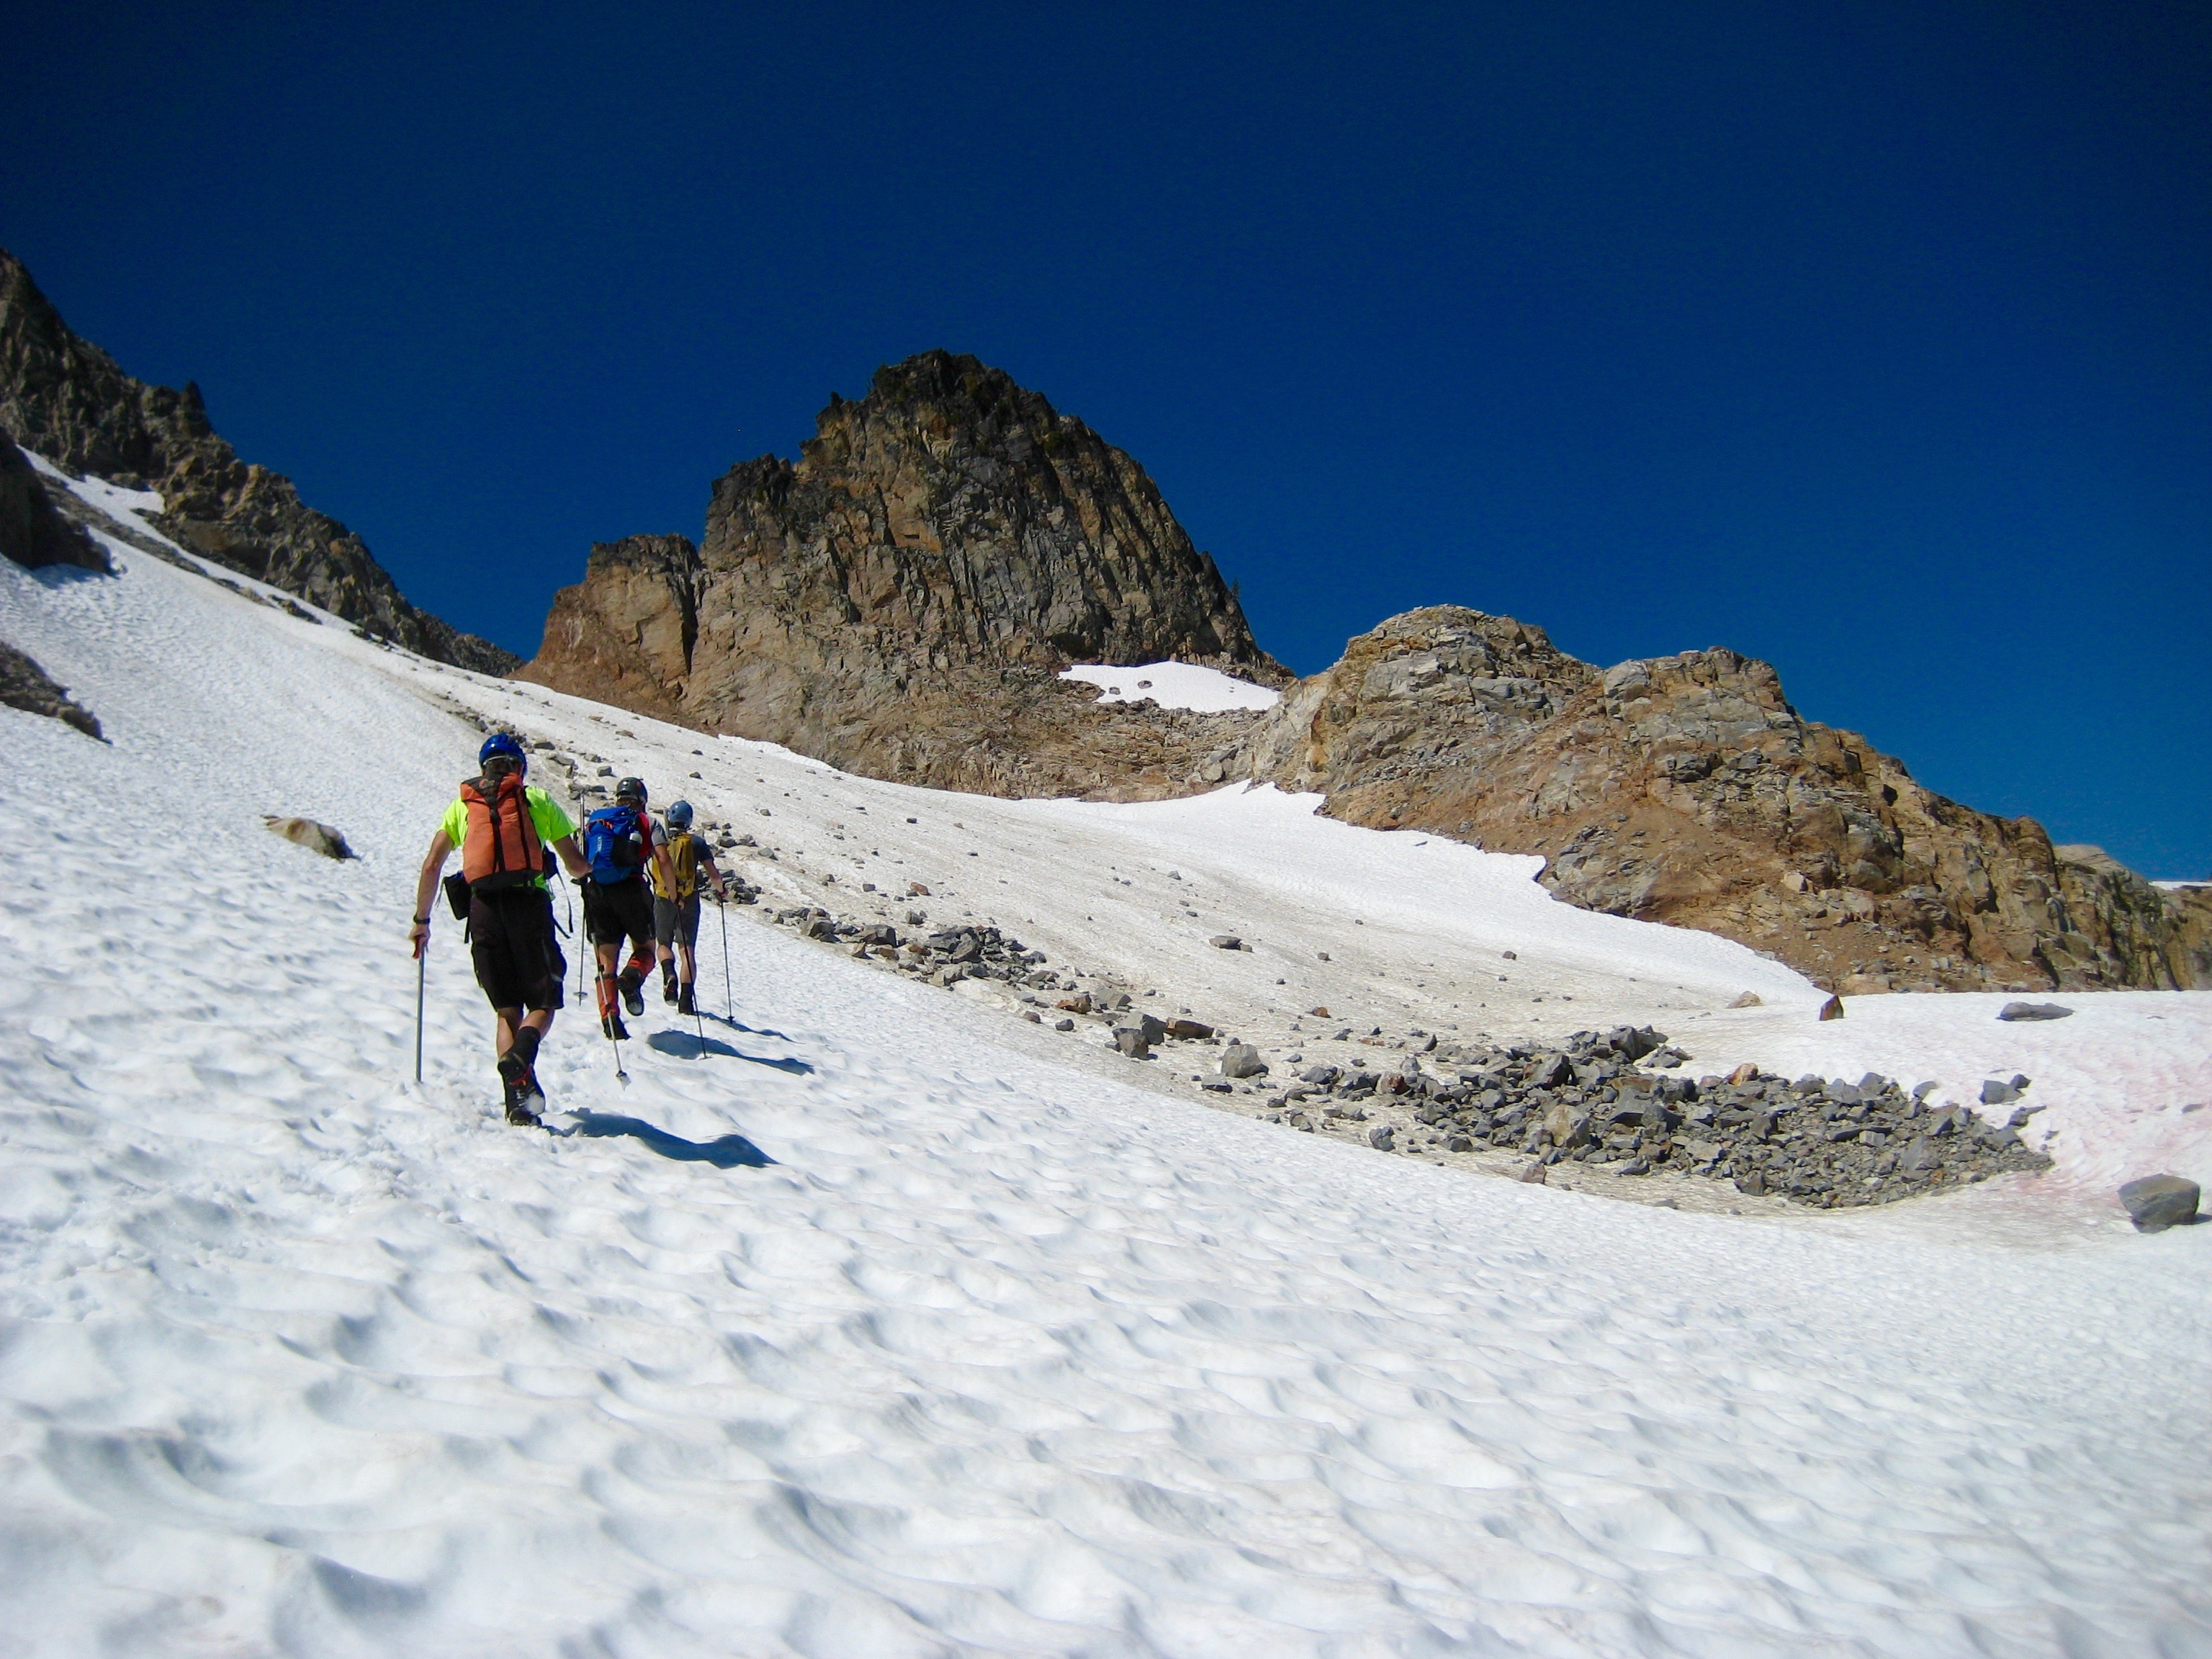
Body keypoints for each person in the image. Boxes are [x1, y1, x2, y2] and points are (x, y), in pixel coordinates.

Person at [410, 734, 588, 1125]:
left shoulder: (463, 806)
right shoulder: (536, 801)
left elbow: (431, 865)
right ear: (519, 769)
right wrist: (588, 871)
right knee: (543, 1002)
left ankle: (516, 1105)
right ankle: (521, 1058)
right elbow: (576, 866)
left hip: (483, 911)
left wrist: (422, 922)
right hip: (530, 906)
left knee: (507, 1009)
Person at [581, 776, 674, 1040]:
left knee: (606, 959)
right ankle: (631, 978)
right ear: (642, 800)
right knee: (646, 949)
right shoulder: (648, 821)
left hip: (598, 892)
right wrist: (673, 893)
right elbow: (664, 859)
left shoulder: (596, 820)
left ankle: (610, 1017)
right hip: (632, 890)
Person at [649, 800, 730, 1014]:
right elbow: (714, 875)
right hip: (689, 900)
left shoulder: (659, 840)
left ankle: (669, 973)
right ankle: (686, 1003)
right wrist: (722, 891)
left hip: (662, 897)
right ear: (689, 820)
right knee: (687, 950)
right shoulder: (696, 843)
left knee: (663, 943)